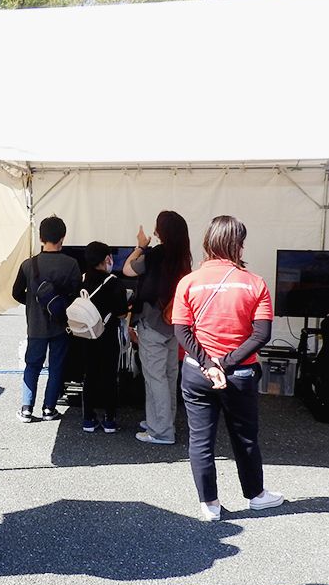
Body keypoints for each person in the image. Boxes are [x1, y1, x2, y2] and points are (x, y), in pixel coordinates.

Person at [172, 215, 282, 522]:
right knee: (245, 438)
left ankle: (209, 504)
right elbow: (261, 335)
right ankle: (256, 496)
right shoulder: (254, 283)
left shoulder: (188, 282)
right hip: (239, 374)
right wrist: (226, 363)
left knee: (200, 440)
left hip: (197, 372)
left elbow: (181, 331)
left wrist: (209, 364)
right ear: (238, 245)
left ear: (208, 242)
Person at [123, 210, 192, 445]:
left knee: (155, 378)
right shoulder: (183, 257)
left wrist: (140, 246)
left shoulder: (155, 255)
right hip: (173, 323)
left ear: (162, 231)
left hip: (152, 323)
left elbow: (128, 269)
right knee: (169, 375)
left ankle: (161, 431)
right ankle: (162, 421)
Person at [12, 215, 80, 423]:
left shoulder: (28, 265)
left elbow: (16, 293)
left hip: (35, 326)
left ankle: (26, 409)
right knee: (56, 367)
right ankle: (49, 409)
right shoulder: (71, 264)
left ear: (41, 238)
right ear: (63, 237)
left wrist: (32, 304)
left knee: (32, 365)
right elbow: (77, 295)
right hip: (61, 325)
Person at [77, 242, 129, 434]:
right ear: (107, 259)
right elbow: (122, 313)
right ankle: (109, 419)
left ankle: (88, 418)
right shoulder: (115, 283)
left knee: (89, 375)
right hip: (108, 336)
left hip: (85, 336)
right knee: (109, 376)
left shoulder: (81, 280)